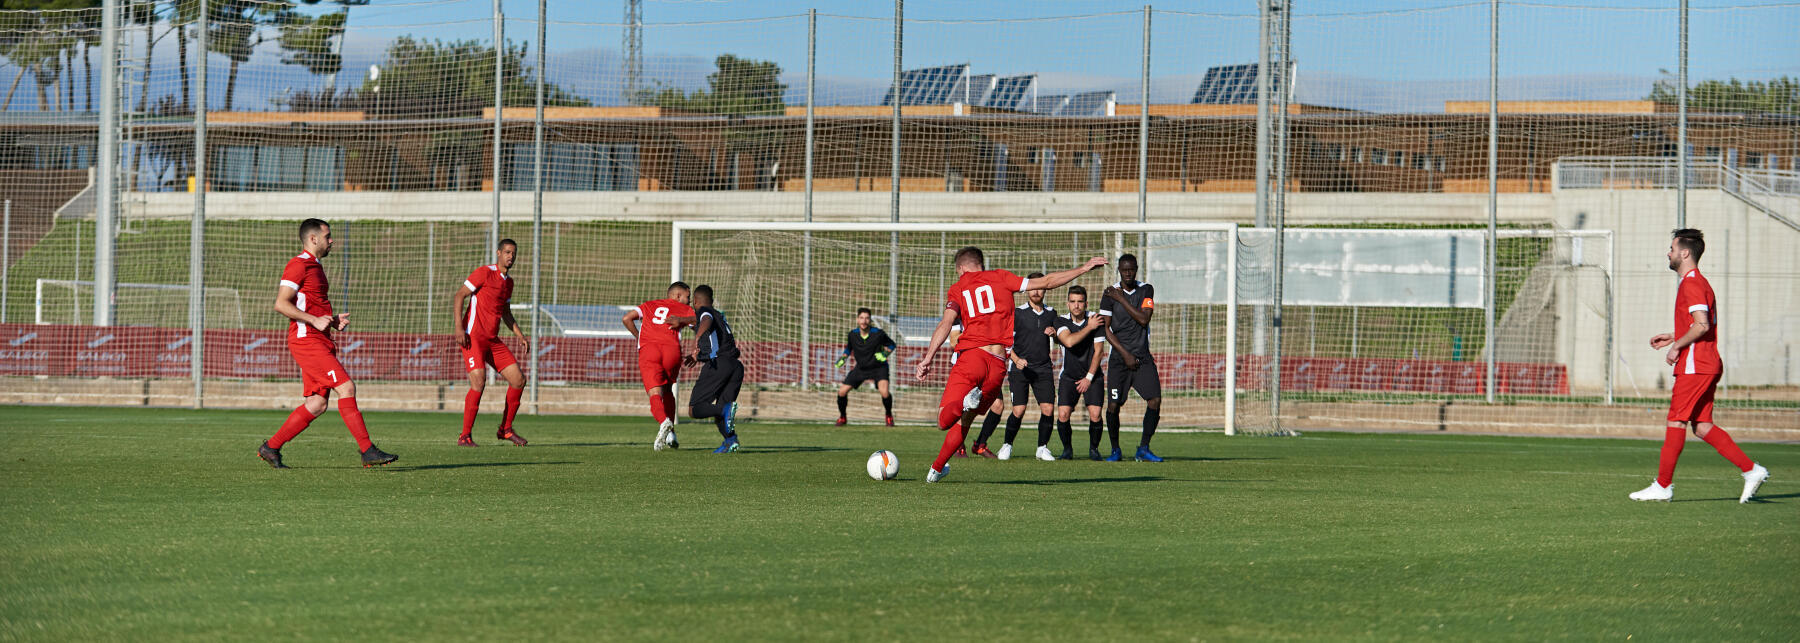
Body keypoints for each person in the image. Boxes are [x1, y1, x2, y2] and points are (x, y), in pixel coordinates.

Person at [914, 247, 1107, 483]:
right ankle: (936, 469)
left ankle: (963, 405)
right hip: (997, 364)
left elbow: (946, 324)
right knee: (966, 419)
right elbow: (1046, 282)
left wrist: (928, 358)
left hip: (972, 357)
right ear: (981, 264)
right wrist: (1084, 268)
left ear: (961, 268)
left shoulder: (957, 288)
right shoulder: (1002, 277)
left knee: (944, 420)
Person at [1630, 229, 1769, 503]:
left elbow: (1702, 324)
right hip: (1706, 362)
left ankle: (1662, 485)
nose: (1668, 253)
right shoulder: (1695, 282)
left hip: (1696, 365)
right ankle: (1752, 470)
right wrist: (1674, 335)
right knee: (1702, 426)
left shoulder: (1692, 283)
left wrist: (1677, 346)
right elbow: (1699, 325)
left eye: (1671, 248)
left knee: (1676, 420)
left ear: (1684, 253)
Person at [257, 218, 398, 469]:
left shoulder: (316, 267)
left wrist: (331, 321)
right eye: (328, 236)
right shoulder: (298, 265)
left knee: (317, 404)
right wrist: (313, 319)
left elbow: (308, 304)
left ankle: (271, 447)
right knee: (346, 387)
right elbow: (281, 303)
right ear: (313, 239)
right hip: (306, 341)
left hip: (318, 338)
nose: (331, 241)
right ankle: (367, 450)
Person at [970, 273, 1059, 461]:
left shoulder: (1051, 313)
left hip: (1043, 368)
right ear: (1027, 290)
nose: (1036, 291)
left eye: (1040, 287)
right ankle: (1007, 445)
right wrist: (1015, 359)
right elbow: (1004, 342)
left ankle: (1042, 448)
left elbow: (1060, 338)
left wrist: (1054, 334)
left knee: (1048, 409)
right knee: (1018, 410)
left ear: (1045, 289)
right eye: (1033, 287)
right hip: (1019, 369)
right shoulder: (1017, 313)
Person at [451, 238, 530, 447]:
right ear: (498, 253)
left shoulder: (508, 283)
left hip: (492, 340)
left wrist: (519, 335)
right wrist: (459, 327)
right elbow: (460, 295)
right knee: (478, 381)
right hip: (472, 337)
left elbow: (505, 312)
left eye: (513, 253)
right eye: (507, 252)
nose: (510, 256)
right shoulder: (485, 272)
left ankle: (505, 429)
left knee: (518, 380)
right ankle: (465, 436)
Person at [1100, 253, 1163, 462]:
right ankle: (1115, 450)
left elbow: (1144, 319)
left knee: (1154, 400)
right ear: (1119, 269)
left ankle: (1144, 448)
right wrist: (1125, 354)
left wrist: (1121, 299)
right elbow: (1106, 330)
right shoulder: (1108, 294)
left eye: (1131, 269)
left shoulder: (1146, 289)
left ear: (1136, 269)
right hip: (1119, 359)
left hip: (1142, 357)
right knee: (1113, 406)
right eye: (1124, 269)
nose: (1128, 273)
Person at [623, 282, 696, 451]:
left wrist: (638, 336)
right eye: (688, 296)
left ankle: (664, 422)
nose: (689, 300)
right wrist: (697, 349)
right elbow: (700, 325)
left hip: (650, 350)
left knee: (655, 393)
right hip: (672, 350)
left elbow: (626, 318)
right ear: (678, 296)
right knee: (668, 390)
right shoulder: (685, 310)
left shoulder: (650, 305)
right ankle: (671, 435)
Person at [686, 284, 745, 454]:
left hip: (719, 364)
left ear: (696, 301)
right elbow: (695, 323)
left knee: (695, 408)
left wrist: (697, 337)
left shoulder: (705, 312)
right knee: (722, 412)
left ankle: (725, 411)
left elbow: (705, 320)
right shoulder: (719, 314)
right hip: (735, 366)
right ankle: (730, 440)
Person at [1055, 285, 1109, 461]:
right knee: (1063, 414)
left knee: (1095, 414)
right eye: (1072, 302)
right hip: (1069, 376)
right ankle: (1067, 450)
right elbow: (1069, 342)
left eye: (1080, 302)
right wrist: (1088, 327)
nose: (1076, 305)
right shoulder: (1061, 321)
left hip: (1092, 376)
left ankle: (1094, 449)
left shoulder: (1096, 319)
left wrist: (1088, 378)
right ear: (1067, 303)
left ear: (1086, 303)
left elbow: (1098, 351)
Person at [835, 308, 897, 426]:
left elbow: (892, 344)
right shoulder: (852, 334)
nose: (864, 321)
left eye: (867, 318)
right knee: (841, 392)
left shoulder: (878, 334)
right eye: (862, 318)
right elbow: (849, 348)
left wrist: (885, 353)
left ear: (870, 320)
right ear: (858, 320)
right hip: (861, 368)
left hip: (879, 367)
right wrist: (843, 358)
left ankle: (888, 415)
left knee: (884, 392)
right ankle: (842, 417)